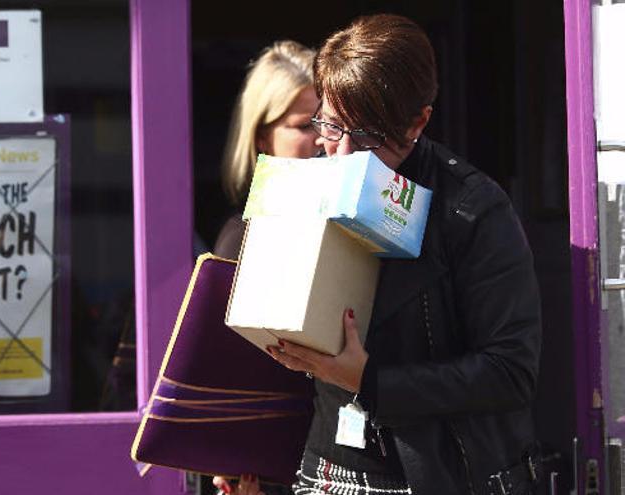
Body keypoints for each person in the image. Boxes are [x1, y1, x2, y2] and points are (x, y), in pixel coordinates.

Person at [218, 14, 542, 495]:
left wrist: (370, 380)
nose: (344, 152)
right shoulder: (303, 183)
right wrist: (226, 445)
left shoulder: (472, 208)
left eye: (368, 137)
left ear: (419, 121)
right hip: (327, 474)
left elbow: (510, 372)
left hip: (439, 477)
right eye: (328, 124)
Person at [213, 40, 322, 260]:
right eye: (304, 126)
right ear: (261, 137)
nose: (324, 138)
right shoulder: (242, 239)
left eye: (330, 123)